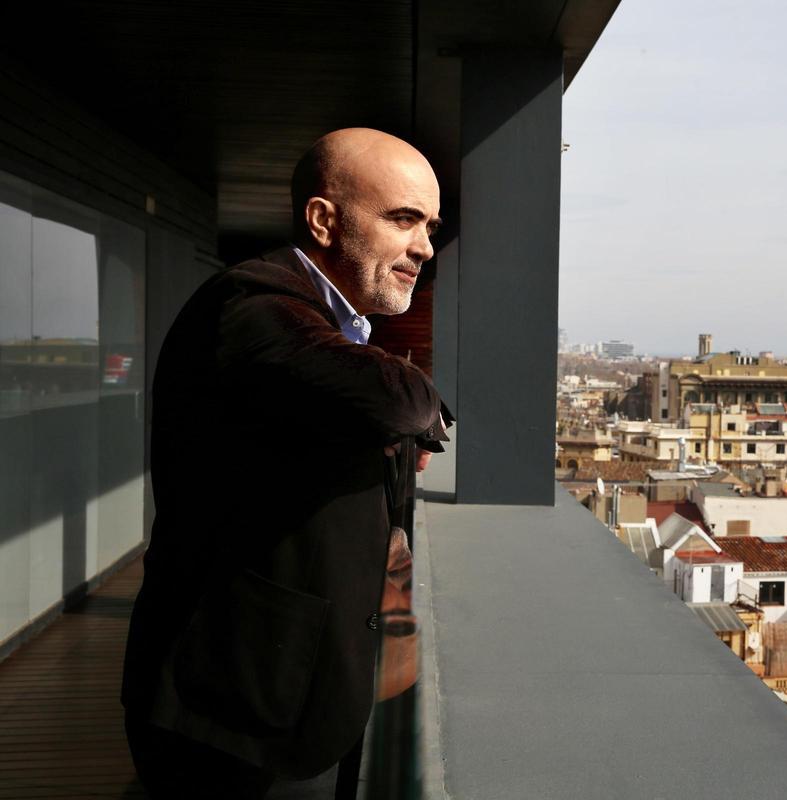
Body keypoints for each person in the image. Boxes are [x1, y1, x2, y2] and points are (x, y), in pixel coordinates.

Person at [121, 128, 450, 798]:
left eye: (431, 226)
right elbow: (402, 398)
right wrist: (416, 409)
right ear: (324, 219)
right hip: (228, 716)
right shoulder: (252, 309)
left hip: (274, 700)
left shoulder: (310, 321)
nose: (424, 247)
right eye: (403, 219)